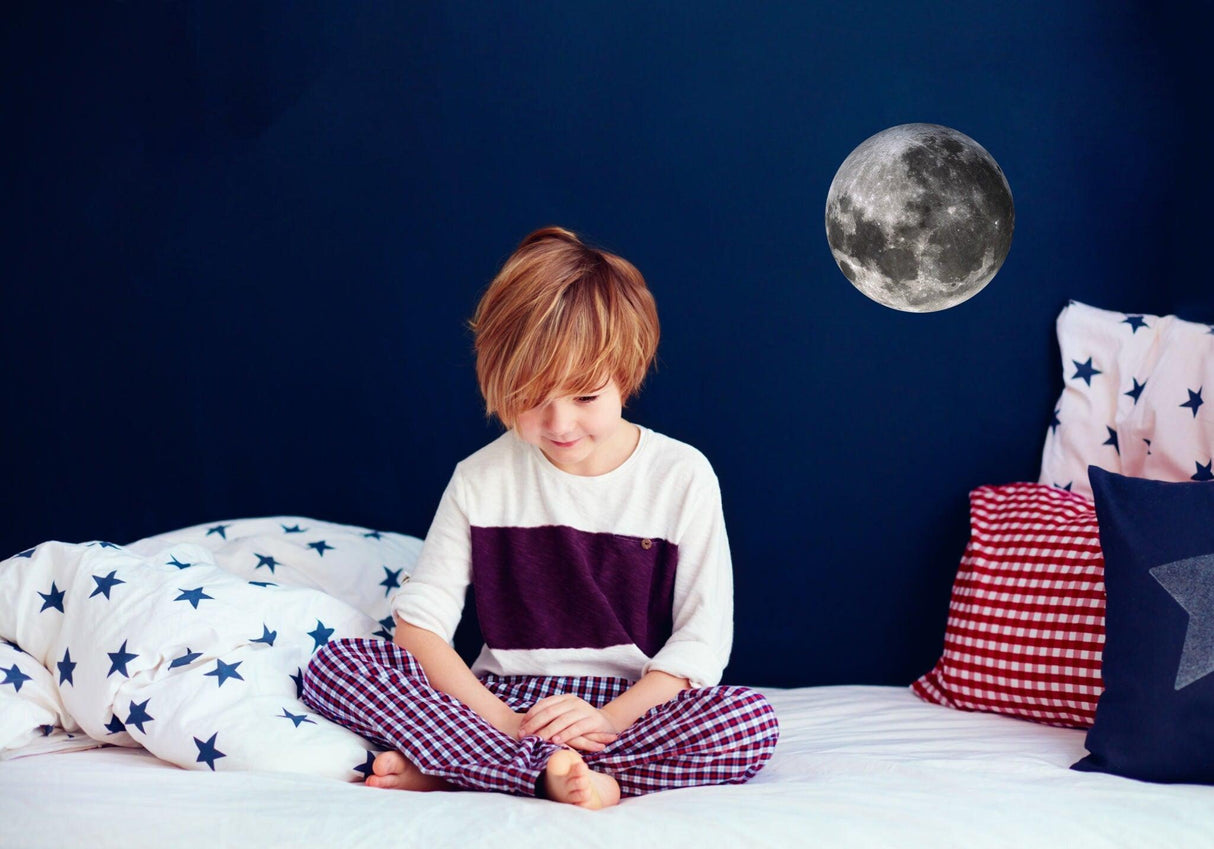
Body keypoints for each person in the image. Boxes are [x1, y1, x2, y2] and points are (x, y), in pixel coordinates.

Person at [302, 226, 779, 809]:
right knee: (337, 666)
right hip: (500, 705)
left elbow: (700, 644)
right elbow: (420, 627)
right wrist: (508, 724)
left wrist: (606, 720)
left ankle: (464, 770)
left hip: (628, 707)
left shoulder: (682, 475)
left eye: (585, 397)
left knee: (749, 720)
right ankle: (546, 772)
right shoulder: (479, 478)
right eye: (531, 399)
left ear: (625, 373)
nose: (560, 424)